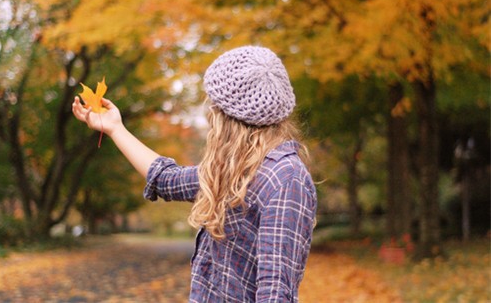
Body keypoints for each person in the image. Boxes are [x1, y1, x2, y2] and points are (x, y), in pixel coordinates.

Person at [72, 46, 317, 302]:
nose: (209, 110)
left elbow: (275, 294)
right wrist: (114, 128)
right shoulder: (235, 169)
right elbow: (167, 179)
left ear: (226, 115)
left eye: (213, 102)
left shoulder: (286, 180)